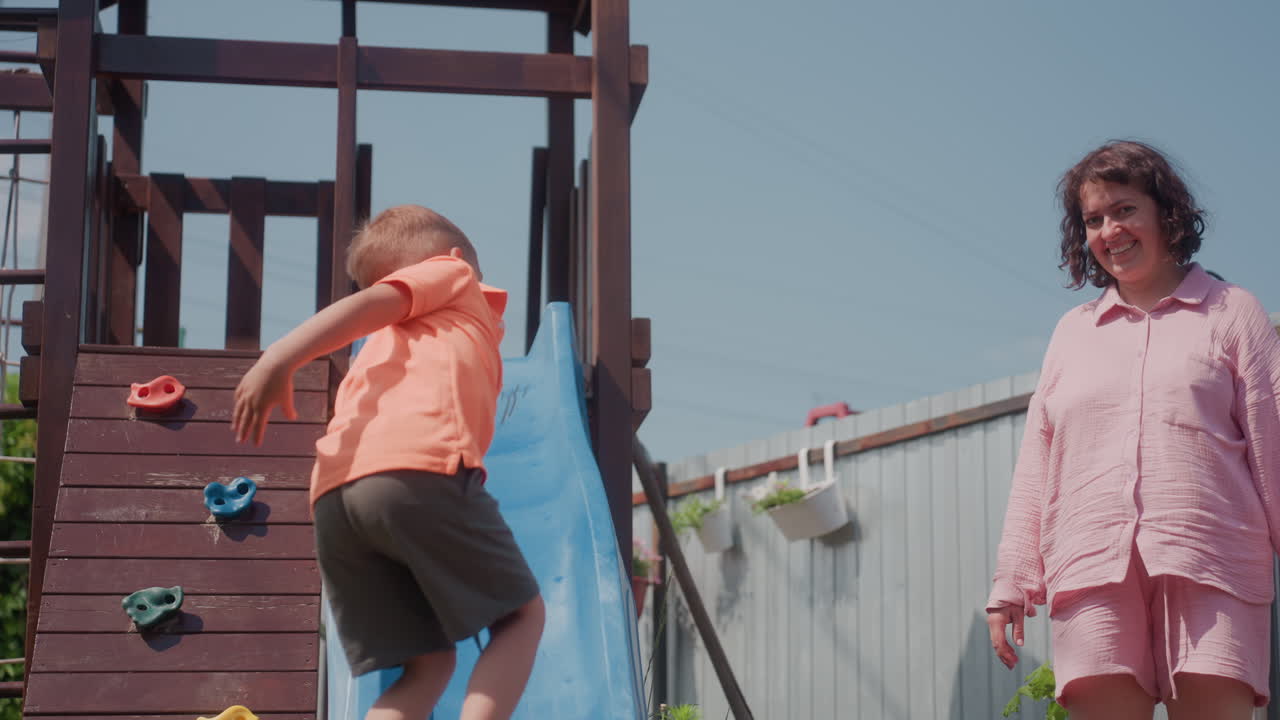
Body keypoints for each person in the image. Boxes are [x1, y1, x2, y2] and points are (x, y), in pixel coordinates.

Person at [986, 141, 1280, 720]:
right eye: (1093, 219)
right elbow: (1038, 466)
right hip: (1091, 570)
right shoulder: (1071, 334)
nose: (1108, 230)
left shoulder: (1233, 313)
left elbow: (1274, 444)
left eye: (1123, 209)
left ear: (1164, 213)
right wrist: (1012, 582)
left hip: (1212, 564)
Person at [232, 205, 545, 720]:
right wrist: (280, 356)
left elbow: (378, 308)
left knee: (427, 666)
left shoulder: (378, 350)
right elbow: (378, 300)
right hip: (417, 471)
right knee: (520, 618)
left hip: (335, 502)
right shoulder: (455, 274)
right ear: (453, 258)